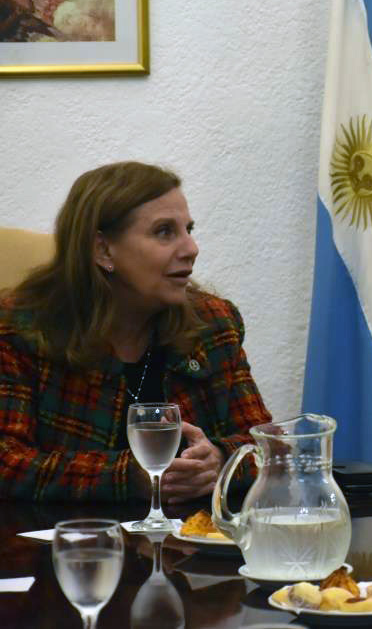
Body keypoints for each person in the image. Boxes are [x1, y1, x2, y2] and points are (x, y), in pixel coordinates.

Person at [0, 161, 272, 502]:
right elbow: (8, 462)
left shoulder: (213, 323)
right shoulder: (20, 328)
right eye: (164, 232)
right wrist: (129, 477)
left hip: (187, 548)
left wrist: (218, 459)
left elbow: (266, 446)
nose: (191, 248)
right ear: (102, 249)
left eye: (188, 229)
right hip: (65, 547)